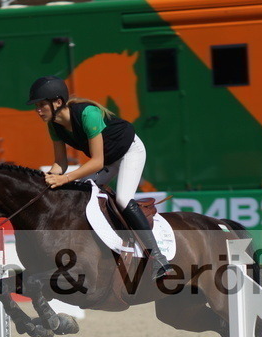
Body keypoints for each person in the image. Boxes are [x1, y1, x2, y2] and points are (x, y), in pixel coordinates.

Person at [28, 75, 174, 279]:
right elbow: (60, 164)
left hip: (129, 152)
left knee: (123, 199)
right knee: (80, 197)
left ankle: (158, 259)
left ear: (58, 102)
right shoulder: (54, 125)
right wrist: (45, 180)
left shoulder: (88, 114)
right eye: (36, 106)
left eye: (42, 105)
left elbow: (96, 162)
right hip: (109, 161)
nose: (38, 110)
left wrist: (65, 179)